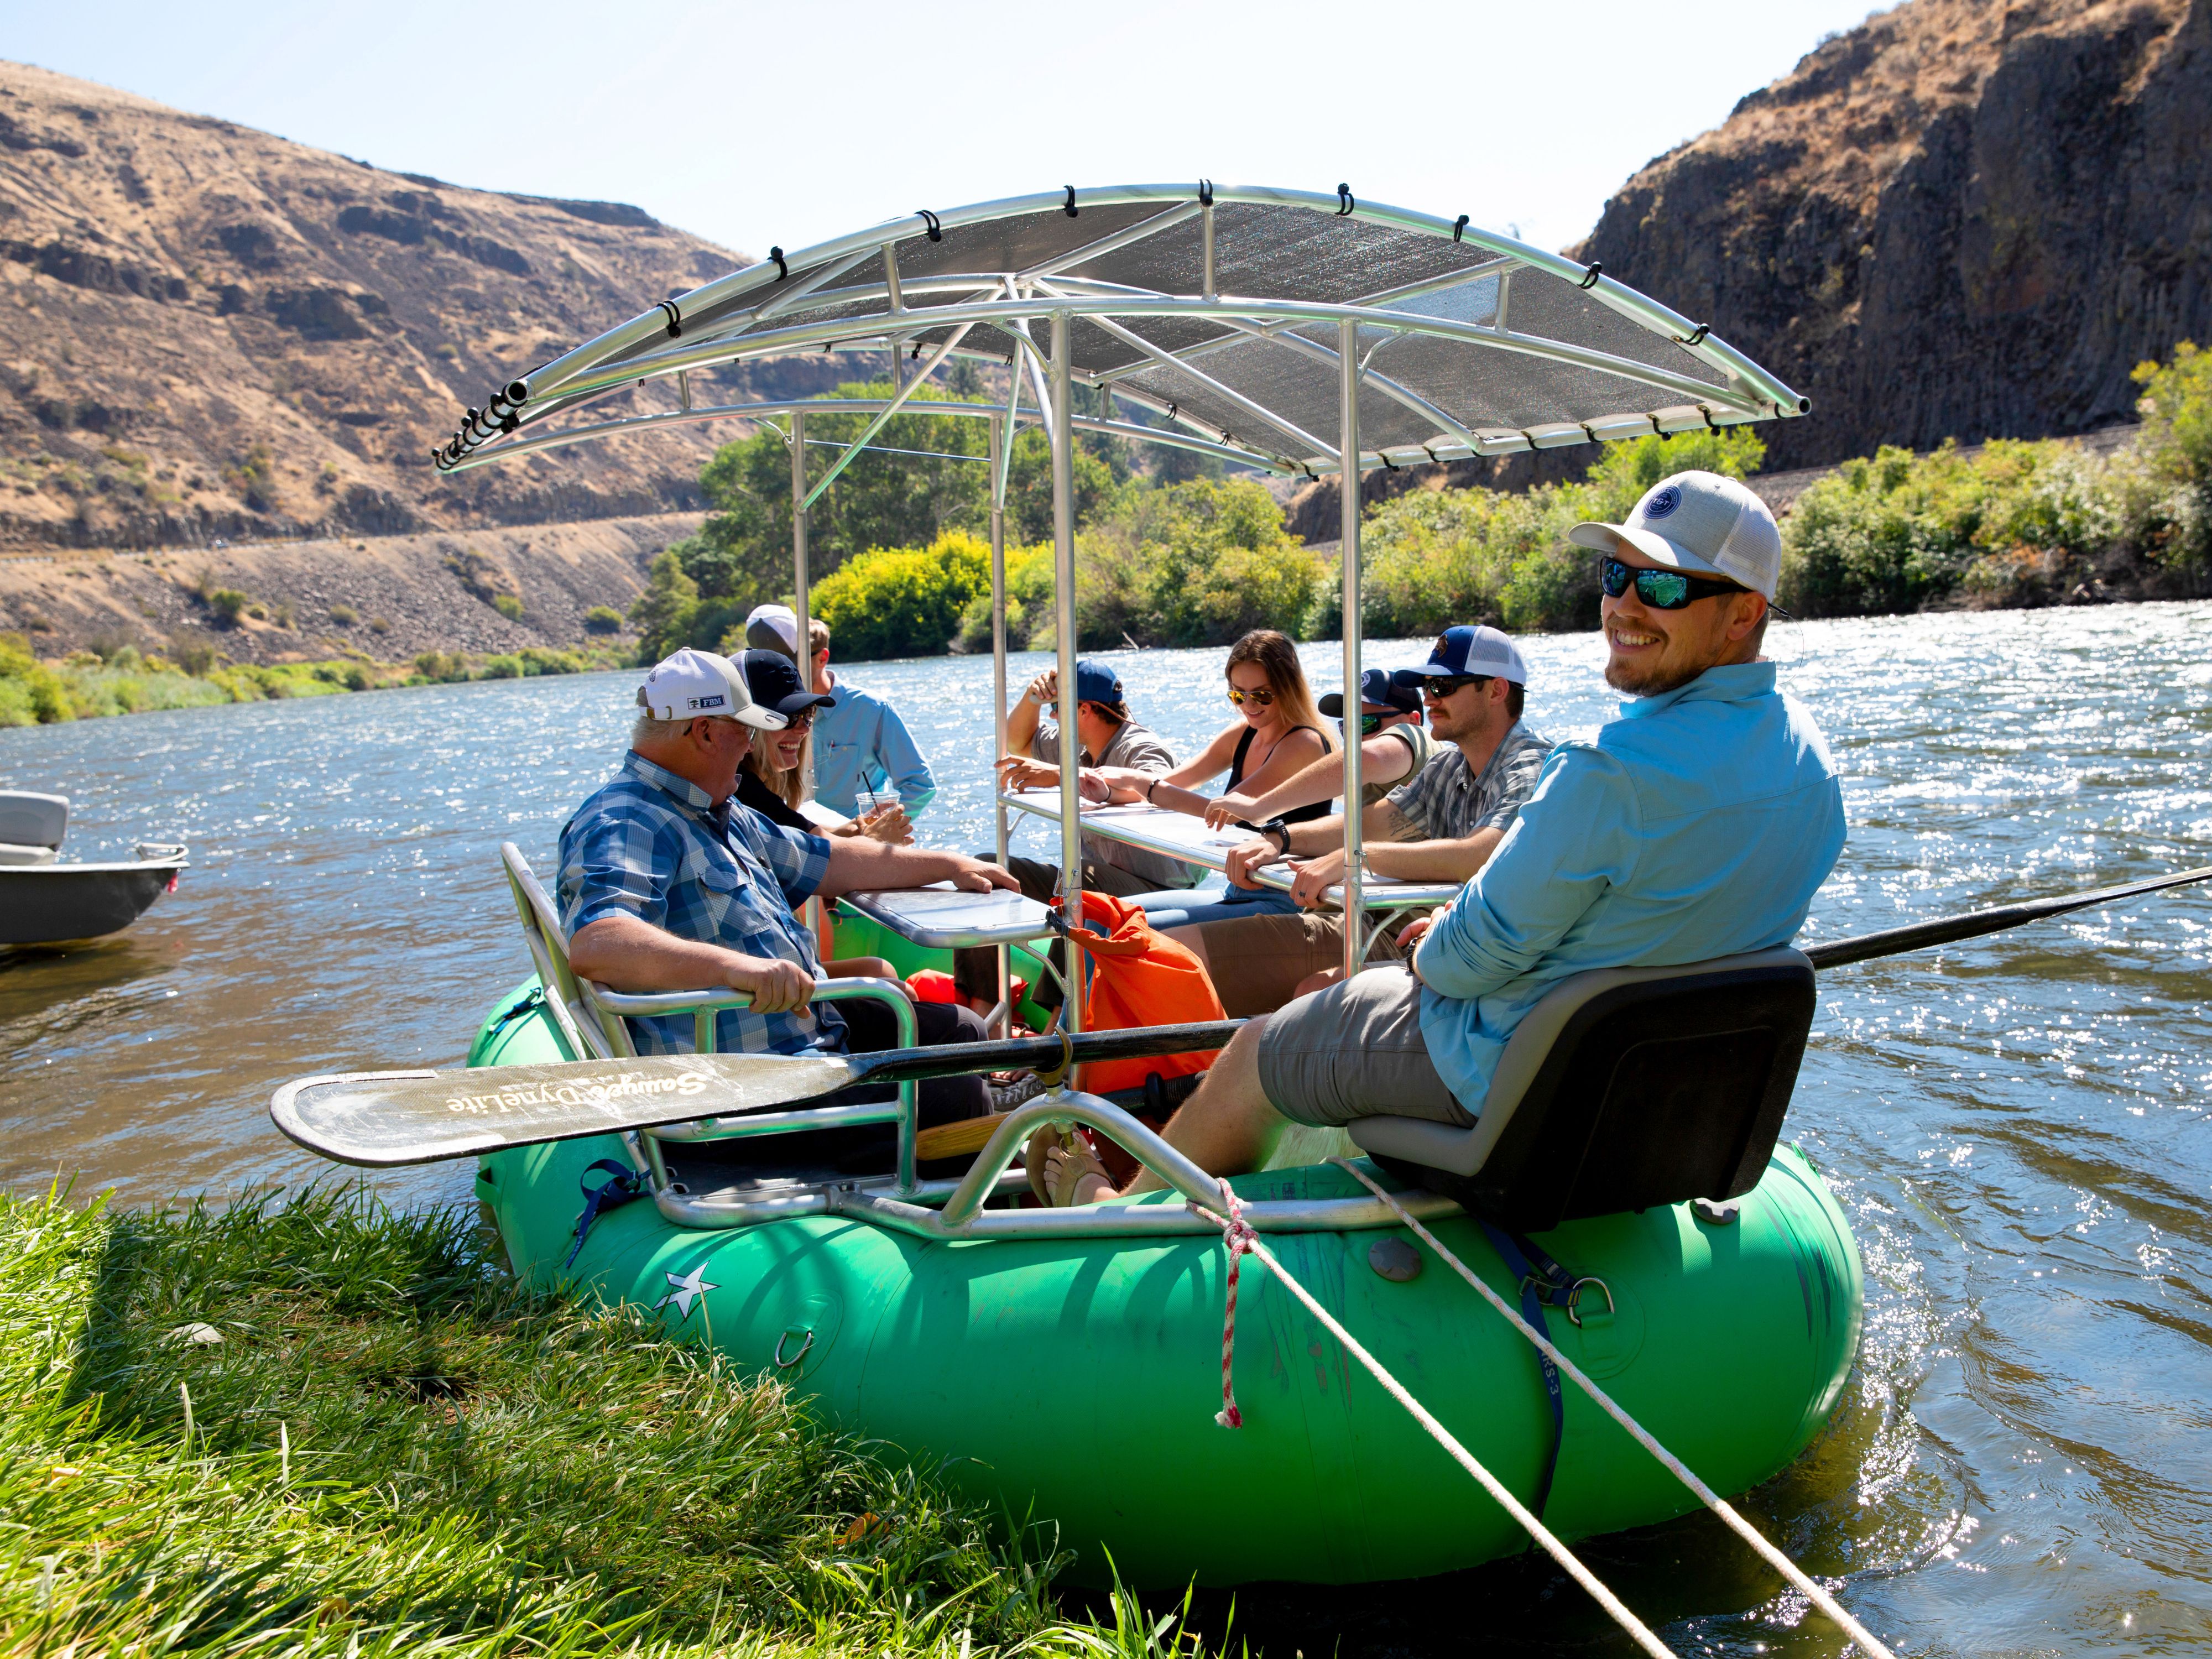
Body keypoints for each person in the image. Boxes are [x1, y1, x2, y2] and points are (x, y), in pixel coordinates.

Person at [1038, 470, 1845, 1204]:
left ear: (1744, 613)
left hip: (1505, 1065)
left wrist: (1434, 939)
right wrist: (1301, 848)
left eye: (1662, 584)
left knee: (1256, 1051)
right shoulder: (1815, 766)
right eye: (1616, 575)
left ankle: (1124, 1219)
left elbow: (1465, 961)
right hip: (1669, 1085)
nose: (1624, 606)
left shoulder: (1606, 774)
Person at [559, 647, 1017, 1145]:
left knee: (964, 1030)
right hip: (749, 1084)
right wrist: (733, 968)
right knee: (956, 1095)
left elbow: (832, 859)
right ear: (706, 731)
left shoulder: (717, 810)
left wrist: (951, 864)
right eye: (744, 728)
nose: (750, 743)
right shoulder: (628, 822)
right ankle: (966, 1201)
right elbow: (598, 942)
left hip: (803, 1037)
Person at [1179, 626, 1552, 1015]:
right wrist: (1280, 837)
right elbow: (1374, 822)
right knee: (1172, 950)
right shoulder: (1450, 764)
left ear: (1496, 691)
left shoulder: (1531, 765)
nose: (1430, 698)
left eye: (1444, 687)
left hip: (1473, 957)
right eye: (1427, 686)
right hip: (1404, 932)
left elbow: (1483, 853)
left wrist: (1356, 858)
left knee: (1308, 995)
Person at [1082, 630, 1334, 928]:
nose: (1249, 705)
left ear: (1289, 688)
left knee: (1128, 931)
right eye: (1238, 694)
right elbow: (1175, 783)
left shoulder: (1303, 743)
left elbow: (1226, 813)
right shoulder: (1242, 733)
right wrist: (1109, 793)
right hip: (1237, 890)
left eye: (1262, 695)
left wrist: (1140, 781)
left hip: (1282, 899)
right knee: (1099, 916)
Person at [997, 657, 1189, 898]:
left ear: (1084, 710)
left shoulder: (1141, 747)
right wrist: (1031, 696)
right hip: (1109, 878)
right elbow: (1017, 742)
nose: (1053, 717)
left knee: (1069, 882)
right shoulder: (1076, 746)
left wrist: (1061, 776)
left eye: (1056, 708)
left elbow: (1160, 792)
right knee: (991, 867)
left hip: (1157, 886)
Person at [747, 603, 936, 821]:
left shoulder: (871, 709)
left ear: (822, 658)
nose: (781, 675)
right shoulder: (757, 713)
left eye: (791, 664)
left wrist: (880, 828)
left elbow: (920, 785)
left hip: (858, 844)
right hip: (795, 839)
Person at [1203, 667, 1432, 827]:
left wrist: (1259, 808)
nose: (1356, 737)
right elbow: (1356, 831)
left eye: (1366, 722)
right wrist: (1282, 837)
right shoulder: (1372, 783)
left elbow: (1369, 758)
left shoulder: (1417, 737)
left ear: (1413, 720)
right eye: (1348, 726)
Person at [734, 650, 912, 846]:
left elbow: (794, 827)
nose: (804, 728)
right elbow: (823, 856)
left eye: (808, 714)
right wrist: (872, 840)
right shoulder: (742, 790)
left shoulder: (751, 788)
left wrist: (852, 830)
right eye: (789, 717)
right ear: (746, 724)